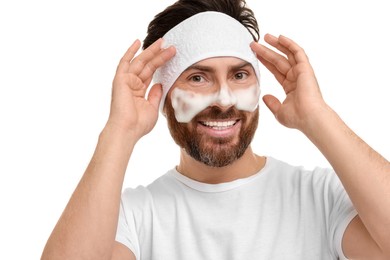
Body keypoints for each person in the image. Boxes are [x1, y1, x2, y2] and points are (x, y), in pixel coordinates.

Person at [41, 0, 390, 259]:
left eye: (239, 75)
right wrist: (119, 131)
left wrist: (318, 117)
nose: (225, 100)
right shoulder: (132, 218)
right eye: (198, 77)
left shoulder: (322, 198)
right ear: (162, 97)